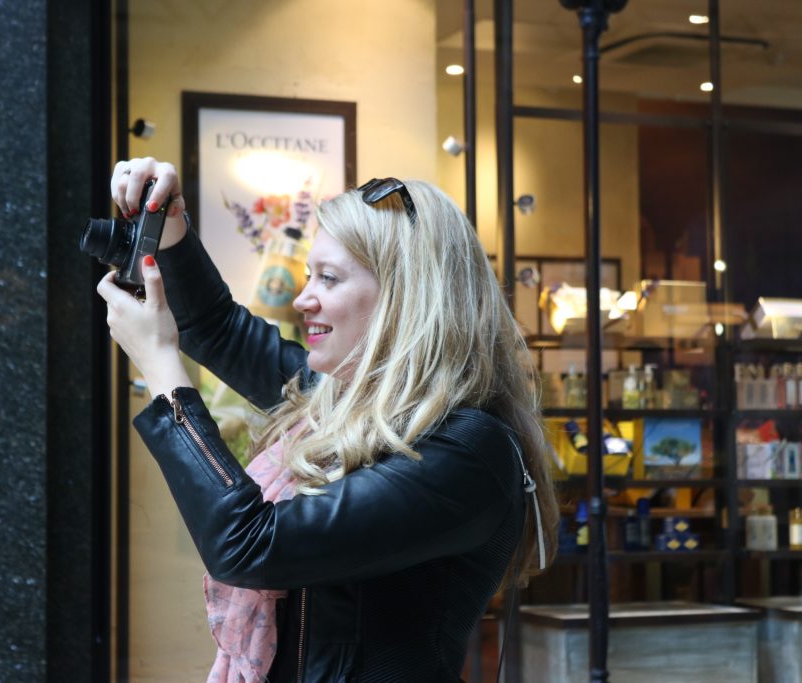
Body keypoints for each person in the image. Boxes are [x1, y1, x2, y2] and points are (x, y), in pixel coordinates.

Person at [97, 157, 558, 682]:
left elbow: (249, 546)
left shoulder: (466, 449)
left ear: (405, 297)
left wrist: (163, 371)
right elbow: (218, 329)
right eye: (309, 274)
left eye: (329, 279)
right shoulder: (341, 404)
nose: (302, 299)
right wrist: (171, 226)